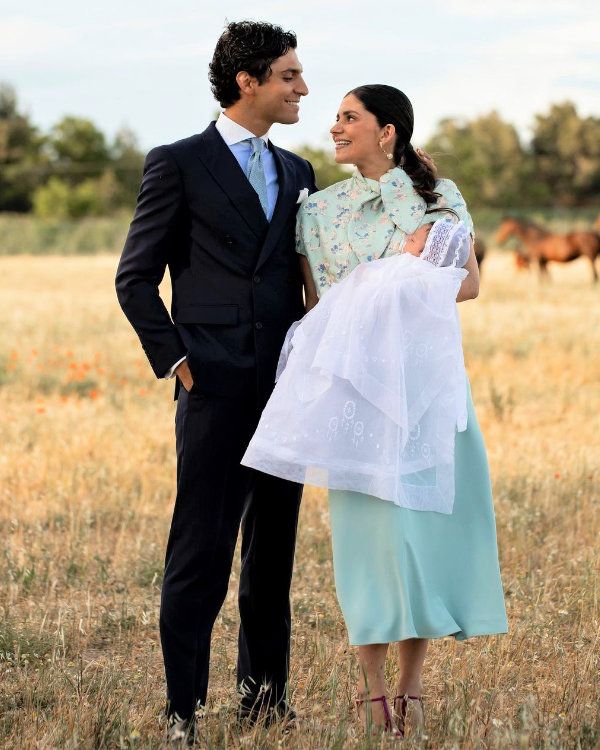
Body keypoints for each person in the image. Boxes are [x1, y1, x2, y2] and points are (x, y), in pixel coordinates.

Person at [248, 84, 508, 739]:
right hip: (354, 396)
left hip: (424, 387)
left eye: (348, 118)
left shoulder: (439, 198)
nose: (333, 127)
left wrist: (396, 278)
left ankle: (412, 688)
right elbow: (315, 302)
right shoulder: (317, 209)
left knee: (421, 539)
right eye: (335, 117)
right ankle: (370, 693)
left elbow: (469, 283)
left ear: (386, 131)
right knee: (366, 547)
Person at [115, 20, 316, 744]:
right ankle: (182, 711)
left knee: (273, 556)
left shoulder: (299, 174)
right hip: (213, 388)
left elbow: (306, 277)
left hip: (285, 389)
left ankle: (265, 703)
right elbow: (135, 280)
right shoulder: (177, 163)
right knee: (200, 552)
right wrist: (176, 359)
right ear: (248, 81)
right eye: (290, 75)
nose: (302, 88)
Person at [242, 218, 473, 516]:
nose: (410, 231)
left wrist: (352, 291)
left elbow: (371, 302)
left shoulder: (406, 273)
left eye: (418, 232)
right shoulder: (433, 286)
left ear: (425, 245)